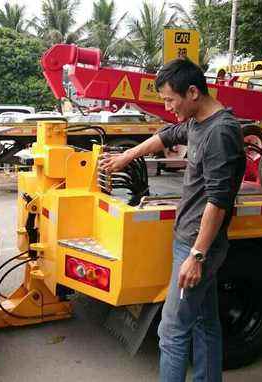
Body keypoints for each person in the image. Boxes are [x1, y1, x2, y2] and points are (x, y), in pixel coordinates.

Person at [99, 58, 246, 382]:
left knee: (172, 331)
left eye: (170, 99)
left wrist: (196, 256)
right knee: (205, 322)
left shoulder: (220, 132)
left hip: (197, 246)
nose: (168, 106)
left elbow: (217, 201)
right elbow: (166, 136)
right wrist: (126, 156)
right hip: (190, 240)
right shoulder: (197, 121)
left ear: (192, 92)